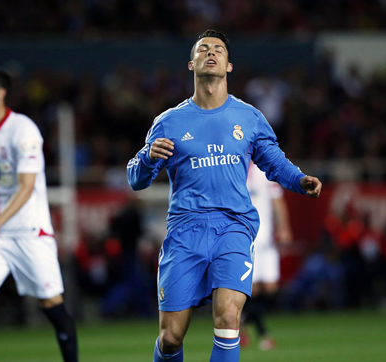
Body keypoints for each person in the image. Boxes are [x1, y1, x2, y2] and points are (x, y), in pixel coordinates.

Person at [127, 30, 322, 362]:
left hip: (233, 226)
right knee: (171, 337)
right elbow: (136, 179)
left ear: (229, 66)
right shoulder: (169, 122)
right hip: (185, 230)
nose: (211, 53)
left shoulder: (248, 117)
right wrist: (147, 158)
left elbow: (274, 162)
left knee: (229, 318)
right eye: (203, 49)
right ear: (192, 64)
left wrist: (299, 179)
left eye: (218, 49)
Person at [0, 64, 78, 362]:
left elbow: (26, 188)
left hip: (29, 231)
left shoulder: (24, 130)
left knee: (52, 307)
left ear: (0, 93)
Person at [242, 162, 293, 350]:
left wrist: (284, 228)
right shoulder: (234, 169)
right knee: (252, 289)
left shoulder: (264, 171)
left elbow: (277, 199)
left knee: (271, 288)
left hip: (267, 239)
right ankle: (263, 334)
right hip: (246, 240)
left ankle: (242, 320)